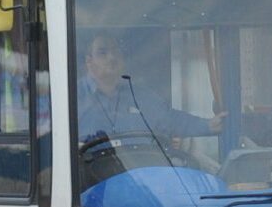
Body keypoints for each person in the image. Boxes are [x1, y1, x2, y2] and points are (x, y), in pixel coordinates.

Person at [77, 34, 225, 143]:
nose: (111, 57)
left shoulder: (140, 96)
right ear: (89, 61)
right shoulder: (72, 98)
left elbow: (170, 120)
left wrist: (208, 125)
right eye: (102, 53)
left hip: (139, 179)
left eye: (115, 51)